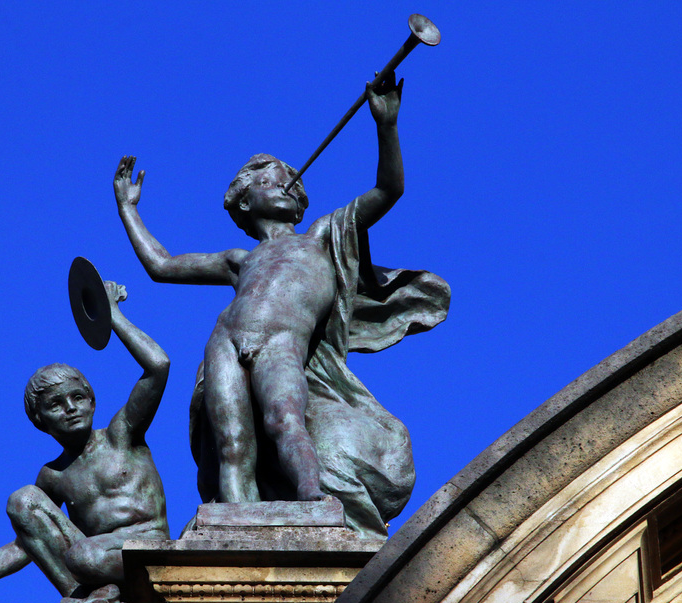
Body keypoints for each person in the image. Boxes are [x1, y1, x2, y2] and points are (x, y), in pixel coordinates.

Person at [114, 70, 448, 525]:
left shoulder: (322, 237)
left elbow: (389, 190)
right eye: (271, 182)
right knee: (232, 444)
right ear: (245, 203)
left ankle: (315, 504)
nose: (286, 185)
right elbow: (162, 265)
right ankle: (234, 521)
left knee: (285, 420)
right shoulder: (238, 260)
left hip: (281, 343)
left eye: (290, 181)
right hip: (226, 340)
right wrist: (128, 209)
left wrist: (385, 125)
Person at [0, 283, 169, 603]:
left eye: (77, 398)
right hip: (93, 561)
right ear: (40, 421)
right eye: (56, 405)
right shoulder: (54, 475)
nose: (70, 408)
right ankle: (92, 601)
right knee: (23, 501)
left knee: (84, 556)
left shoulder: (122, 432)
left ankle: (98, 593)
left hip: (148, 550)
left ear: (92, 399)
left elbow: (158, 366)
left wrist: (113, 316)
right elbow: (29, 545)